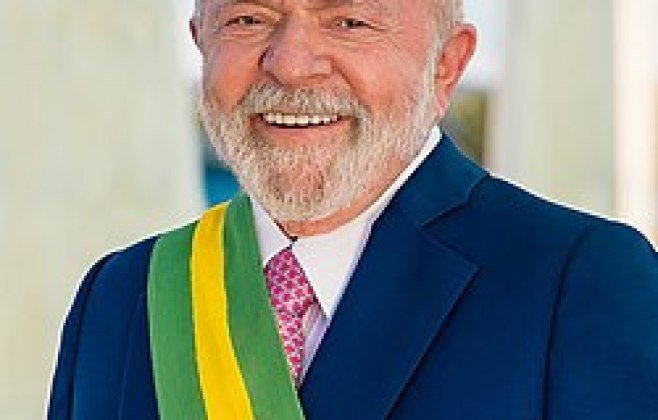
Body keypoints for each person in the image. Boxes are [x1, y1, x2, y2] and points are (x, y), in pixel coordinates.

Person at [48, 0, 658, 418]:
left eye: (349, 21)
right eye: (248, 19)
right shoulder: (121, 295)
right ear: (200, 41)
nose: (291, 64)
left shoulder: (580, 279)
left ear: (447, 63)